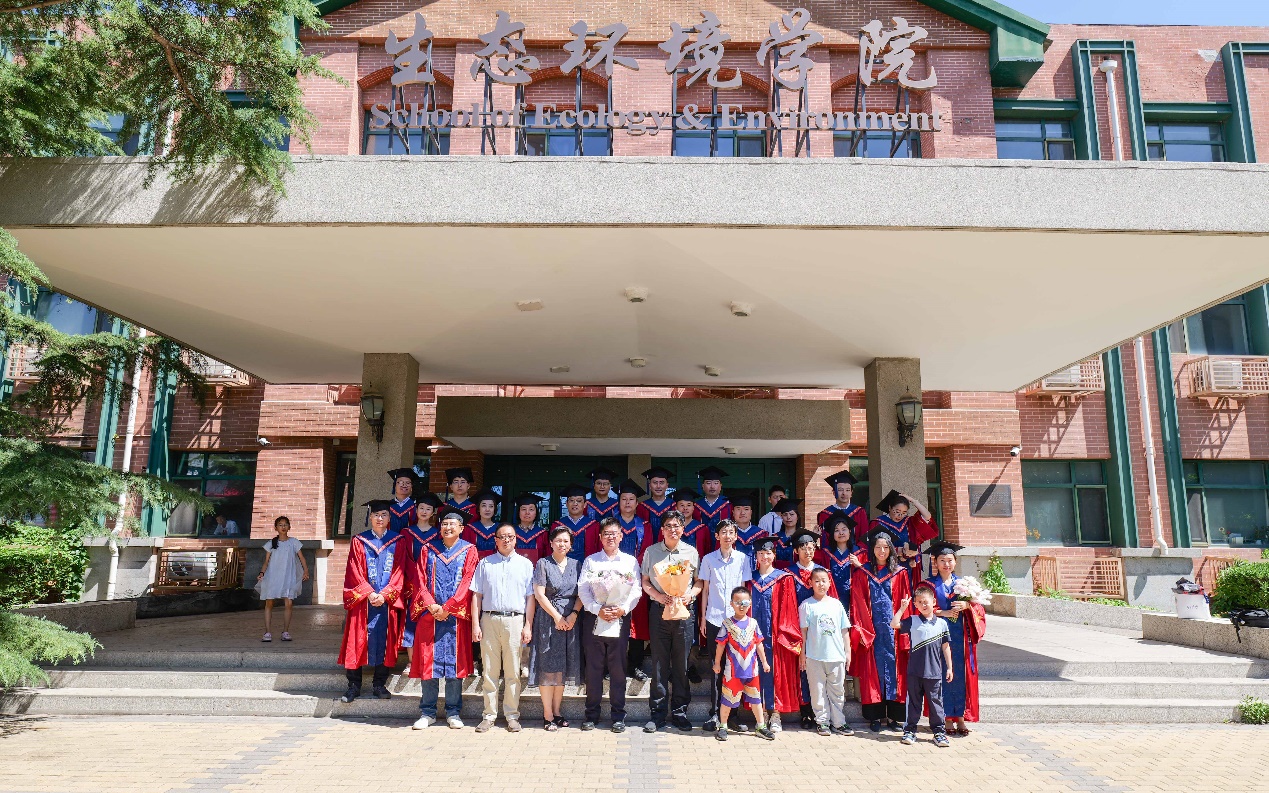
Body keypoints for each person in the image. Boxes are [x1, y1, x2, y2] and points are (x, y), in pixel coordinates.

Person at [409, 506, 479, 730]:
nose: (448, 527)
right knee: (428, 664)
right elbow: (420, 580)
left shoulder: (469, 550)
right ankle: (427, 712)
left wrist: (448, 607)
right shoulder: (428, 549)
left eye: (452, 524)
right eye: (444, 524)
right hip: (430, 615)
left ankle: (453, 712)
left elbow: (468, 582)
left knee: (454, 666)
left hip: (455, 617)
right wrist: (431, 605)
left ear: (462, 528)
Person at [578, 518, 643, 733]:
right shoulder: (591, 561)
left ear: (621, 536)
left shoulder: (630, 562)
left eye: (614, 533)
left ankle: (618, 715)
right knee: (593, 667)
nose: (610, 537)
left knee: (618, 668)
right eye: (606, 533)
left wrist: (623, 609)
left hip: (619, 617)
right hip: (594, 617)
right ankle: (591, 714)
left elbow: (636, 590)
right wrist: (597, 608)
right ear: (600, 537)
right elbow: (583, 589)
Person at [470, 523, 537, 733]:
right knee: (489, 670)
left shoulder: (525, 564)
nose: (507, 540)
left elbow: (530, 598)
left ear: (516, 539)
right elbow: (477, 595)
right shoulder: (485, 563)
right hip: (489, 619)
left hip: (515, 621)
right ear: (496, 540)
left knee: (513, 671)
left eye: (510, 536)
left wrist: (528, 625)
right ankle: (489, 715)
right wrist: (475, 624)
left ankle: (512, 715)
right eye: (503, 537)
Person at [640, 509, 701, 733]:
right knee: (659, 664)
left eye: (676, 526)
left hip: (684, 613)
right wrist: (658, 596)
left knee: (681, 664)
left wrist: (690, 595)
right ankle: (657, 714)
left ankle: (680, 713)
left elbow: (699, 582)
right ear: (662, 529)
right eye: (668, 526)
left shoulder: (691, 552)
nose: (672, 530)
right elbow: (645, 581)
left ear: (683, 529)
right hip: (659, 612)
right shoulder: (651, 551)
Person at [338, 500, 405, 703]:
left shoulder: (398, 541)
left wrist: (385, 594)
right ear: (370, 517)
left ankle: (379, 684)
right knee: (356, 641)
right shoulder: (359, 540)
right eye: (376, 515)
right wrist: (368, 593)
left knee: (385, 642)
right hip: (363, 602)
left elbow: (400, 571)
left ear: (389, 517)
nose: (379, 518)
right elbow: (353, 570)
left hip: (386, 602)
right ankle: (353, 686)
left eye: (384, 514)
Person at [849, 526, 914, 733]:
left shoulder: (900, 573)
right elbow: (857, 603)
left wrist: (905, 631)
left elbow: (906, 603)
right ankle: (875, 717)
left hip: (894, 632)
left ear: (891, 549)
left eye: (886, 547)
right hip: (873, 632)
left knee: (896, 672)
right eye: (878, 547)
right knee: (873, 672)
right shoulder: (862, 573)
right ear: (872, 549)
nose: (882, 551)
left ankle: (894, 718)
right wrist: (863, 630)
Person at [696, 518, 753, 732]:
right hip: (715, 619)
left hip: (736, 621)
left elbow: (745, 591)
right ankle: (715, 713)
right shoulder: (708, 559)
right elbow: (705, 590)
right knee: (716, 666)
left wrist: (745, 620)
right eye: (724, 532)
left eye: (731, 532)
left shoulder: (742, 559)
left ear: (736, 536)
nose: (727, 536)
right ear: (717, 536)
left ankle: (732, 716)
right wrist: (703, 618)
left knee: (735, 668)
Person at [927, 541, 986, 735]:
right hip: (938, 636)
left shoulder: (964, 585)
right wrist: (942, 612)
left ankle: (960, 717)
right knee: (943, 674)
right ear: (935, 562)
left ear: (955, 562)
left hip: (960, 637)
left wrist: (968, 606)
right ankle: (945, 718)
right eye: (942, 560)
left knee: (960, 676)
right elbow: (921, 608)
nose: (946, 564)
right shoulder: (928, 585)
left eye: (950, 560)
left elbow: (979, 609)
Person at [529, 527, 583, 730]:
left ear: (571, 545)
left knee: (561, 668)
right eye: (558, 540)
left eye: (566, 541)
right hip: (548, 620)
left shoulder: (577, 565)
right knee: (547, 667)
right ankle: (547, 714)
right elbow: (539, 594)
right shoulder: (543, 563)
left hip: (570, 621)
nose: (562, 544)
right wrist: (557, 617)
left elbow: (582, 593)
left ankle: (557, 711)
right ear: (551, 543)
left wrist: (573, 614)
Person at [747, 538, 801, 733]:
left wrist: (784, 634)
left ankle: (776, 713)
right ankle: (761, 714)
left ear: (774, 555)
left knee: (775, 672)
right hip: (752, 636)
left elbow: (789, 609)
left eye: (768, 553)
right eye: (761, 553)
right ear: (756, 556)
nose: (765, 556)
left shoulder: (783, 578)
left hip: (775, 636)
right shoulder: (749, 579)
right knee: (756, 671)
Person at [787, 530, 837, 728]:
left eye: (811, 548)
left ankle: (825, 714)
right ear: (796, 551)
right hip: (798, 628)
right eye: (803, 548)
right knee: (802, 670)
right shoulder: (789, 574)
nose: (808, 551)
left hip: (821, 630)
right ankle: (806, 712)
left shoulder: (823, 574)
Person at [712, 586, 775, 742]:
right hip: (733, 671)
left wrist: (764, 662)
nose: (741, 606)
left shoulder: (753, 623)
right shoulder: (727, 624)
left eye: (745, 602)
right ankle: (723, 726)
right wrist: (717, 663)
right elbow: (720, 645)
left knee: (756, 699)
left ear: (750, 604)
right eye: (737, 602)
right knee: (727, 699)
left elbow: (759, 644)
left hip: (752, 671)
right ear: (731, 604)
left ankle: (760, 726)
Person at [894, 583, 953, 747]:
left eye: (926, 601)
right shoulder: (912, 621)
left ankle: (939, 733)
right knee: (913, 702)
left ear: (934, 602)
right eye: (919, 602)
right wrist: (902, 608)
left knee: (935, 703)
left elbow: (946, 647)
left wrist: (949, 667)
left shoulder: (942, 623)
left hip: (934, 672)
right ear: (915, 605)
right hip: (915, 671)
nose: (923, 605)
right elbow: (894, 624)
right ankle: (910, 730)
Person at [799, 568, 853, 737]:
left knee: (837, 691)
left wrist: (848, 652)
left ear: (830, 583)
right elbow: (803, 633)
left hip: (836, 656)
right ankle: (822, 721)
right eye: (817, 581)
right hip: (814, 656)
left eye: (824, 580)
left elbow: (844, 631)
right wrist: (802, 654)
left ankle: (839, 722)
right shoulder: (806, 605)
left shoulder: (836, 604)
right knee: (817, 691)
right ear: (810, 583)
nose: (821, 584)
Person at [614, 479, 653, 681]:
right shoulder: (610, 524)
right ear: (619, 502)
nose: (627, 503)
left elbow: (647, 551)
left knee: (636, 621)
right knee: (613, 621)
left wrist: (632, 571)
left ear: (637, 503)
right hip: (612, 579)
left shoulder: (644, 526)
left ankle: (635, 665)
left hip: (636, 578)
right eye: (624, 499)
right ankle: (613, 665)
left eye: (631, 499)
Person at [400, 491, 443, 673]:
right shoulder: (406, 532)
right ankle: (411, 661)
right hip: (411, 584)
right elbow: (403, 558)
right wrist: (415, 578)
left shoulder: (438, 534)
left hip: (431, 585)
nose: (424, 511)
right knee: (411, 622)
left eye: (428, 509)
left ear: (433, 512)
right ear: (416, 510)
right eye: (421, 508)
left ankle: (429, 658)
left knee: (429, 621)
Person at [255, 515, 309, 642]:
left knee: (289, 603)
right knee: (269, 602)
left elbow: (301, 558)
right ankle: (267, 632)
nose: (283, 527)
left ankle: (285, 631)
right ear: (276, 528)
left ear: (289, 527)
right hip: (273, 576)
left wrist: (306, 571)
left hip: (288, 577)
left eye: (285, 524)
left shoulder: (294, 542)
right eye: (280, 525)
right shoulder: (271, 543)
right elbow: (266, 562)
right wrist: (262, 573)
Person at [870, 490, 940, 584]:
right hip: (886, 565)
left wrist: (914, 501)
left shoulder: (909, 522)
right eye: (897, 511)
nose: (900, 516)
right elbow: (871, 546)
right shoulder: (878, 523)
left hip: (907, 565)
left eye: (904, 512)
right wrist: (896, 550)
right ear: (890, 508)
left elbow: (927, 516)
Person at [822, 514, 859, 613]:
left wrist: (859, 565)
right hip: (831, 596)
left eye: (844, 529)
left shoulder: (859, 553)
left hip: (853, 599)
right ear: (832, 534)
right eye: (836, 530)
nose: (841, 533)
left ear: (850, 531)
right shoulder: (826, 553)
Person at [552, 483, 597, 563]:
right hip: (562, 567)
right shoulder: (557, 525)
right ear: (566, 504)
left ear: (585, 504)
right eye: (571, 500)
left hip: (587, 567)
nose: (575, 503)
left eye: (579, 501)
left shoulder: (594, 525)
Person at [817, 470, 869, 538]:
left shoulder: (859, 512)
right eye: (840, 490)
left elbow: (864, 537)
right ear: (834, 492)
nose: (844, 493)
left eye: (847, 490)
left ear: (851, 493)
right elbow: (825, 539)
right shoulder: (825, 514)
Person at [510, 492, 550, 565]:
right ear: (518, 512)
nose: (527, 513)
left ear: (536, 513)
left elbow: (547, 557)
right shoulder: (511, 533)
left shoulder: (543, 534)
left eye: (531, 509)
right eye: (523, 509)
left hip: (538, 571)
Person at [636, 466, 677, 534]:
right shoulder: (642, 507)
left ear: (667, 486)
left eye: (661, 483)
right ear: (650, 486)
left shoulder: (673, 506)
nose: (658, 486)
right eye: (655, 482)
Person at [673, 488, 712, 557]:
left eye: (689, 505)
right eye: (682, 505)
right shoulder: (670, 528)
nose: (685, 508)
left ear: (693, 508)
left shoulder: (702, 529)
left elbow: (707, 551)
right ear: (676, 508)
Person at [463, 488, 501, 558]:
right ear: (478, 509)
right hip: (475, 564)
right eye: (483, 506)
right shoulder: (469, 529)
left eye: (491, 506)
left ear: (494, 509)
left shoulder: (500, 529)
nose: (487, 509)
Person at [693, 465, 731, 533]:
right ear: (703, 486)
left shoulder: (728, 505)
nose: (712, 486)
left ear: (720, 486)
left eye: (716, 483)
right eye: (708, 483)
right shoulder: (696, 506)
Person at [730, 494, 768, 560]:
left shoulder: (761, 534)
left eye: (746, 509)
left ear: (751, 512)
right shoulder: (728, 534)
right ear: (733, 512)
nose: (742, 513)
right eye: (738, 509)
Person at [770, 497, 803, 569]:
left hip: (797, 573)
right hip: (778, 573)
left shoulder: (802, 537)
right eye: (785, 514)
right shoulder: (775, 537)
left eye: (792, 514)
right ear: (781, 517)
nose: (788, 517)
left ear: (797, 517)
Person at [387, 468, 418, 532]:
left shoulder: (416, 506)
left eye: (408, 483)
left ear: (411, 487)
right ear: (395, 486)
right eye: (401, 482)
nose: (404, 485)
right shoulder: (387, 506)